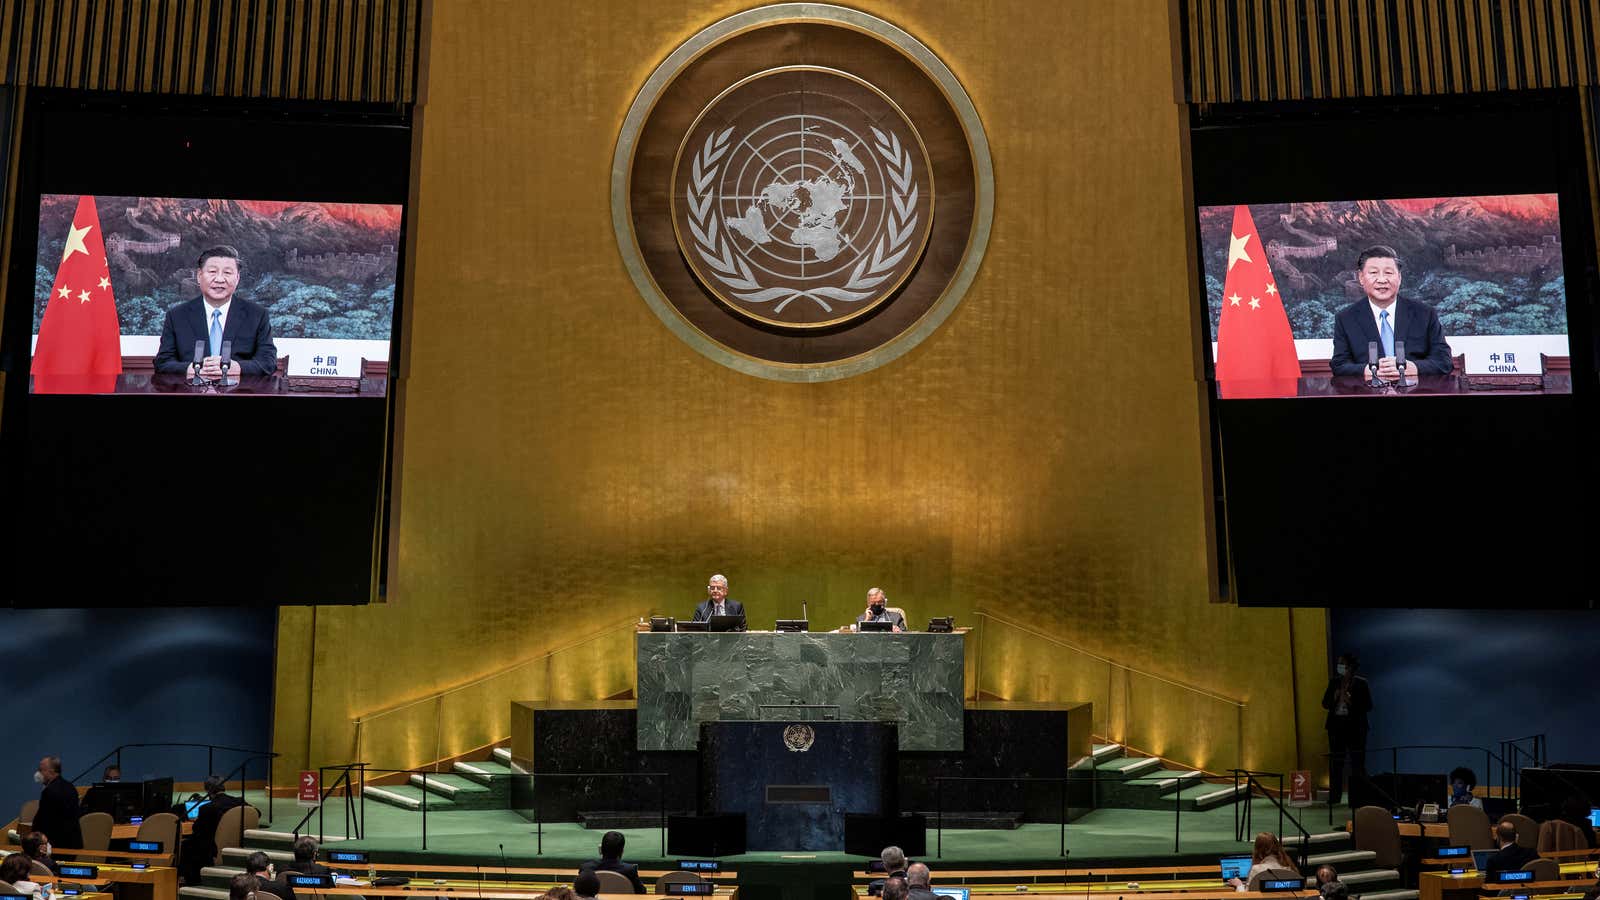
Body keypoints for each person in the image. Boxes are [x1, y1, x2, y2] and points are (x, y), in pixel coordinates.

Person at [1328, 246, 1453, 379]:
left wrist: (1414, 367)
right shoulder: (1346, 318)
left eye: (1388, 273)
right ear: (1361, 277)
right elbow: (1339, 365)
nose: (1382, 280)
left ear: (1399, 277)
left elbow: (1444, 361)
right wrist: (1367, 370)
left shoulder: (1425, 314)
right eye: (1373, 273)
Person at [153, 245, 279, 377]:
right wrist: (190, 368)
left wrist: (238, 367)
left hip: (239, 393)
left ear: (237, 278)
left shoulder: (257, 315)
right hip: (191, 393)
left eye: (227, 273)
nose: (219, 279)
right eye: (212, 272)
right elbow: (162, 362)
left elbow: (268, 362)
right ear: (199, 276)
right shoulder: (177, 316)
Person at [1322, 653, 1372, 806]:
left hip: (1355, 728)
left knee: (1357, 763)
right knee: (1336, 763)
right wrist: (1335, 698)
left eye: (1342, 663)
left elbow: (1368, 706)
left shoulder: (1361, 683)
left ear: (1350, 667)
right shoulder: (1334, 682)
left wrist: (1351, 701)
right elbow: (1324, 703)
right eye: (1339, 663)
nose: (1340, 666)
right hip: (1336, 727)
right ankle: (1334, 797)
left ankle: (1358, 797)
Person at [182, 776, 246, 884]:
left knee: (186, 845)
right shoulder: (239, 802)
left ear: (207, 790)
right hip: (238, 841)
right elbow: (257, 812)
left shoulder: (207, 808)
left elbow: (197, 829)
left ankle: (191, 882)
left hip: (213, 848)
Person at [32, 756, 83, 850]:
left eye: (41, 770)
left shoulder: (49, 791)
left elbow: (43, 821)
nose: (38, 773)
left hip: (57, 845)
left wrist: (32, 839)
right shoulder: (70, 786)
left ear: (51, 771)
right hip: (73, 843)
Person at [1229, 832, 1300, 892]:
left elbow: (1247, 897)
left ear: (1257, 850)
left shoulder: (1256, 869)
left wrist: (1239, 885)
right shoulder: (1288, 866)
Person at [579, 830, 644, 894]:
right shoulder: (630, 870)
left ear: (601, 849)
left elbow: (579, 892)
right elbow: (642, 892)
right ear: (622, 851)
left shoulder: (585, 868)